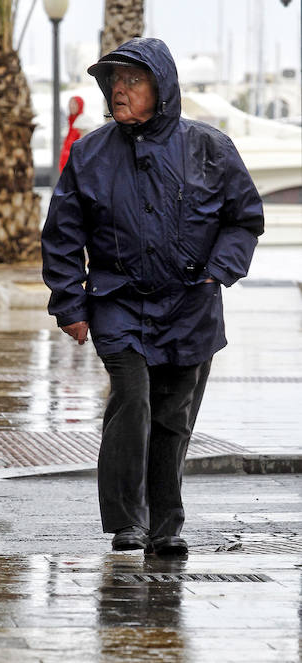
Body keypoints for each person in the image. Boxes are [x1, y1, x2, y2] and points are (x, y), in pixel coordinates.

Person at [41, 38, 264, 556]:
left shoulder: (211, 148)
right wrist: (70, 303)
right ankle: (127, 522)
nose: (120, 90)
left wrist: (216, 274)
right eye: (113, 81)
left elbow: (244, 219)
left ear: (161, 88)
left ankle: (166, 525)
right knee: (133, 401)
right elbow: (62, 233)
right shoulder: (91, 153)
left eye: (132, 81)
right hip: (117, 300)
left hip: (191, 304)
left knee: (173, 416)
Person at [59, 96, 90, 172]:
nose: (71, 106)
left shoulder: (82, 123)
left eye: (74, 103)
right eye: (70, 103)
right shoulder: (70, 123)